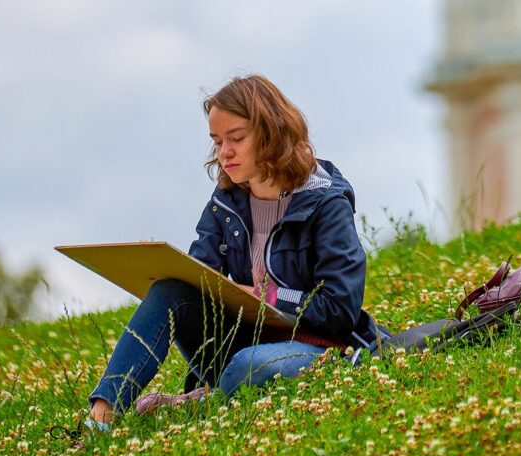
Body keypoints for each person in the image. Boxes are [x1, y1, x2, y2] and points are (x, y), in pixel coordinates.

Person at [87, 74, 380, 429]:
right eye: (217, 141)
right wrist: (160, 265)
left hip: (318, 347)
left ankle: (201, 402)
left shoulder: (326, 202)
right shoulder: (227, 200)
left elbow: (339, 309)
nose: (223, 152)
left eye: (236, 139)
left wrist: (263, 295)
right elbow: (199, 282)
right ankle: (100, 419)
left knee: (247, 366)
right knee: (169, 291)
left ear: (271, 134)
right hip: (242, 342)